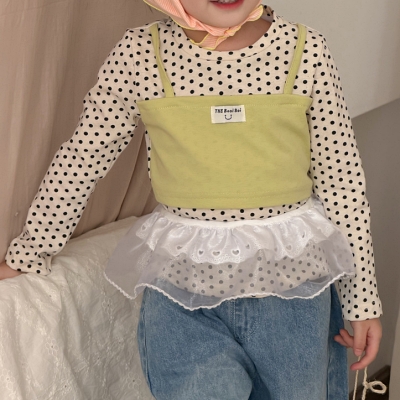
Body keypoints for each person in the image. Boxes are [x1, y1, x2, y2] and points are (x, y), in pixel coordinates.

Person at [0, 0, 382, 399]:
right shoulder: (139, 54)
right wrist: (31, 249)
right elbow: (84, 156)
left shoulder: (306, 50)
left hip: (293, 297)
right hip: (183, 297)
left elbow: (342, 184)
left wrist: (362, 301)